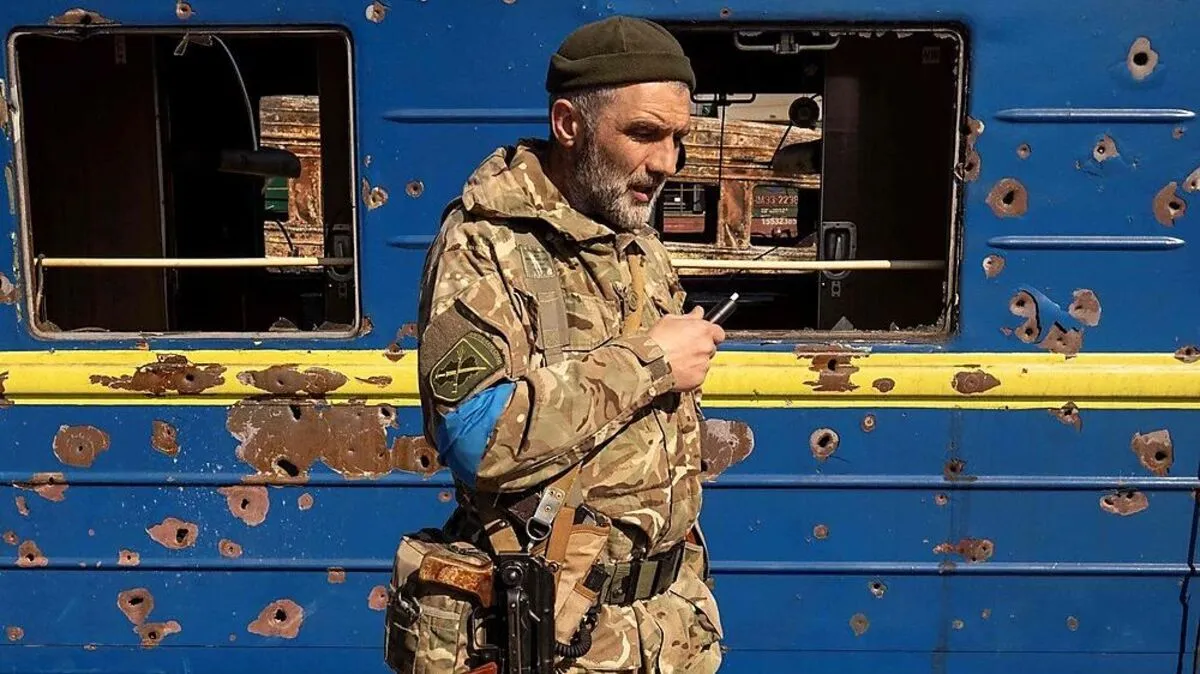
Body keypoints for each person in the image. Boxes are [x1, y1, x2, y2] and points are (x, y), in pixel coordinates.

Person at [409, 15, 726, 674]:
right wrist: (652, 361)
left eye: (678, 138)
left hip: (668, 629)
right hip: (558, 640)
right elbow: (475, 441)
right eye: (644, 133)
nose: (667, 162)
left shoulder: (637, 242)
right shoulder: (486, 244)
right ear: (569, 124)